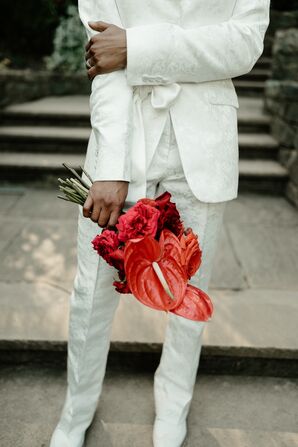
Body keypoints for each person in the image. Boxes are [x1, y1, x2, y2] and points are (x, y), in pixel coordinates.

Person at [49, 1, 270, 446]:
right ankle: (76, 409)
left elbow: (243, 44)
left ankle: (174, 402)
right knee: (91, 293)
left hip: (203, 145)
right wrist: (111, 165)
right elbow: (103, 57)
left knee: (189, 294)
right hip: (124, 138)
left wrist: (136, 46)